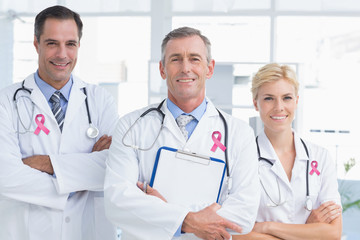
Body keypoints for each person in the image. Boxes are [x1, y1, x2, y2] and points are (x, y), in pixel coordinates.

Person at [104, 26, 260, 240]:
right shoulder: (131, 126)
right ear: (162, 69)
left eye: (194, 59)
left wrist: (167, 213)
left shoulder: (239, 133)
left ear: (209, 68)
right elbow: (117, 201)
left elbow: (244, 214)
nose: (185, 68)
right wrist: (189, 220)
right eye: (176, 59)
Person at [0, 5, 119, 240]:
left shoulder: (100, 100)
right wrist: (81, 175)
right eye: (52, 43)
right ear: (36, 44)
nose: (62, 54)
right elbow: (5, 175)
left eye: (70, 44)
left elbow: (112, 168)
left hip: (87, 232)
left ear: (78, 46)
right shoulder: (6, 102)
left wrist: (47, 164)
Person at [233, 63, 342, 240]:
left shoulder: (320, 157)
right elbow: (235, 234)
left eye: (287, 98)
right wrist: (308, 230)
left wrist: (265, 227)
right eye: (268, 98)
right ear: (255, 103)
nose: (279, 107)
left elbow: (332, 233)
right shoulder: (240, 158)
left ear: (296, 101)